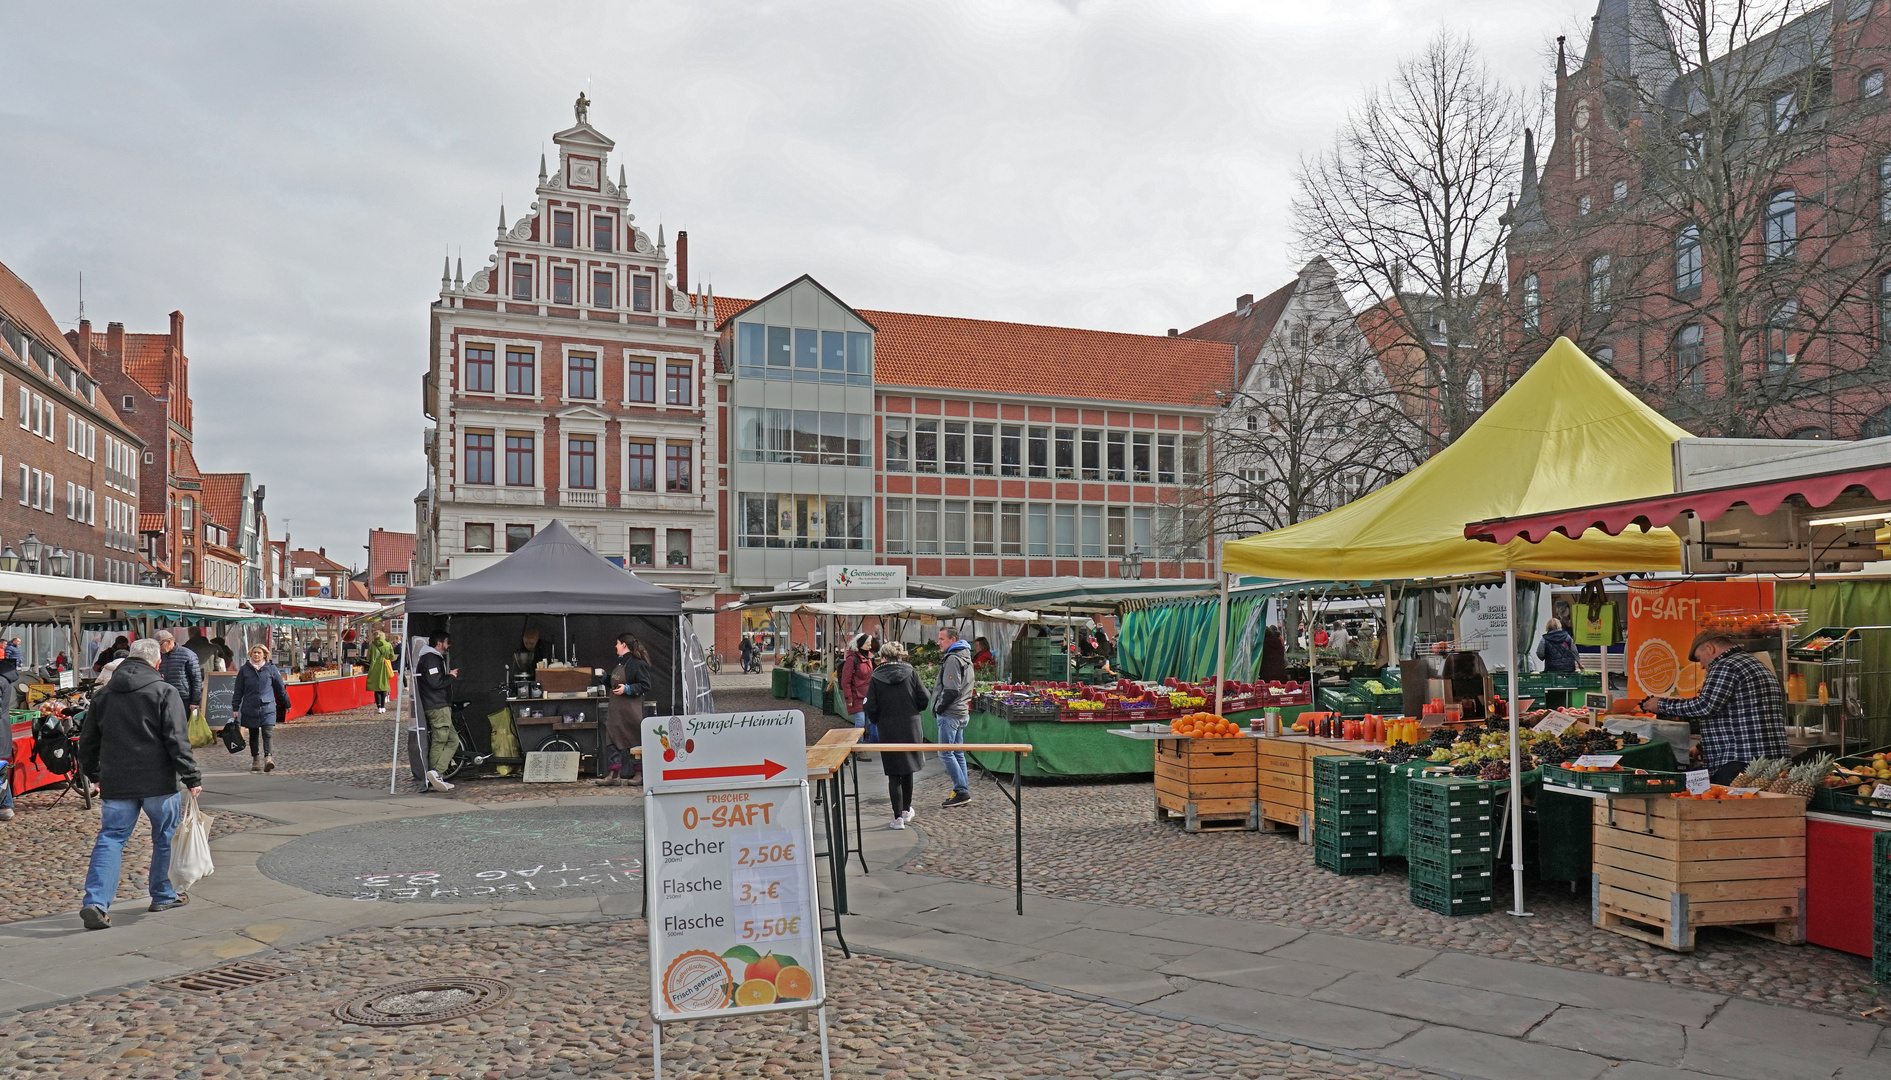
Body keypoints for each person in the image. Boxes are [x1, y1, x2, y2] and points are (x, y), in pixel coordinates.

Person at [76, 637, 200, 930]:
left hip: (117, 781)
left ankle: (95, 902)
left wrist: (93, 774)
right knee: (164, 836)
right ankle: (163, 893)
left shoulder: (104, 695)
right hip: (158, 780)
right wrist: (192, 776)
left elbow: (88, 741)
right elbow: (177, 740)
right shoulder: (163, 691)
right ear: (157, 663)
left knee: (111, 838)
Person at [1633, 630, 1788, 786]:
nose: (1701, 666)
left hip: (1739, 760)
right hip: (1767, 759)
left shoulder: (1726, 666)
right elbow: (1739, 715)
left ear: (1710, 648)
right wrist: (1701, 747)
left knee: (1733, 807)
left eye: (1700, 659)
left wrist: (1660, 704)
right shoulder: (1753, 663)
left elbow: (1705, 706)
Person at [864, 641, 926, 829]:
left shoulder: (876, 677)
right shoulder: (911, 673)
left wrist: (878, 720)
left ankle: (898, 817)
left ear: (883, 657)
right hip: (910, 726)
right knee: (908, 770)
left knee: (893, 773)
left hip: (889, 728)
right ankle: (906, 810)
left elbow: (870, 706)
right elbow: (924, 698)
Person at [930, 626, 975, 807]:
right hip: (961, 712)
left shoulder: (953, 659)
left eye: (942, 639)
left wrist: (939, 708)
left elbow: (951, 690)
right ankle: (961, 790)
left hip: (951, 714)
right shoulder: (965, 656)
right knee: (957, 752)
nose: (938, 642)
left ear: (953, 639)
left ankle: (961, 790)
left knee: (945, 753)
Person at [232, 644, 290, 773]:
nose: (256, 655)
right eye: (254, 653)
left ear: (264, 654)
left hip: (267, 706)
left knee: (267, 733)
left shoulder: (271, 669)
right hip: (250, 706)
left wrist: (287, 703)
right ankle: (255, 759)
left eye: (259, 653)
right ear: (250, 654)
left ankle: (268, 758)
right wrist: (235, 707)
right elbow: (238, 690)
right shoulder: (244, 670)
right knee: (253, 734)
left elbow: (280, 688)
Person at [413, 632, 458, 792]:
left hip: (439, 705)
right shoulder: (431, 659)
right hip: (437, 706)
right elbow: (435, 682)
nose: (449, 646)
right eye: (447, 642)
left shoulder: (430, 658)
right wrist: (450, 677)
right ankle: (436, 773)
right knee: (440, 740)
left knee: (453, 740)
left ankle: (436, 773)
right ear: (439, 643)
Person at [604, 634, 650, 785]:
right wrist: (605, 678)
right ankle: (614, 773)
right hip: (615, 710)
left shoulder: (637, 664)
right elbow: (615, 683)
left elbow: (645, 685)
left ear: (624, 645)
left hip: (631, 710)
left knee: (634, 739)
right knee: (612, 737)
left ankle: (639, 773)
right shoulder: (619, 663)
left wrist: (628, 688)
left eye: (617, 644)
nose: (615, 646)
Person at [155, 630, 204, 718]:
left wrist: (195, 702)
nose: (159, 648)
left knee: (182, 725)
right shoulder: (159, 656)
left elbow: (196, 679)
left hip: (183, 698)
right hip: (164, 697)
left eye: (160, 645)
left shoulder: (188, 655)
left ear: (169, 642)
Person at [365, 631, 395, 712]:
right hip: (384, 668)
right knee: (384, 687)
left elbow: (368, 658)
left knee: (376, 688)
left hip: (374, 668)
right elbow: (392, 657)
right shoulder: (388, 645)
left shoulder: (372, 646)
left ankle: (378, 707)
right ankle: (383, 706)